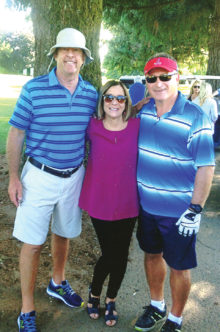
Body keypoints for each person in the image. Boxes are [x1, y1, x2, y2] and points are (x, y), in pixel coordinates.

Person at [6, 27, 98, 332]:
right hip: (39, 176)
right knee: (32, 244)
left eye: (77, 51)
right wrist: (14, 178)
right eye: (65, 50)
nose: (71, 55)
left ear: (84, 58)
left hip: (74, 176)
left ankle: (57, 283)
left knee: (64, 233)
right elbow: (17, 133)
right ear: (56, 55)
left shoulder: (90, 94)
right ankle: (27, 309)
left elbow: (110, 123)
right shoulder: (34, 90)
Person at [134, 53, 215, 332]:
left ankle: (176, 319)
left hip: (180, 211)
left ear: (177, 78)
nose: (158, 83)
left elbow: (206, 167)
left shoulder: (196, 116)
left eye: (165, 76)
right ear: (146, 82)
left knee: (179, 266)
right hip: (147, 207)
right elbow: (118, 114)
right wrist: (134, 105)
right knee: (151, 255)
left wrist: (195, 209)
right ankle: (157, 306)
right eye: (152, 78)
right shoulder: (143, 111)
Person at [78, 80, 140, 327]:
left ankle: (111, 298)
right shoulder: (91, 126)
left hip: (128, 202)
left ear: (126, 103)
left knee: (121, 254)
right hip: (99, 200)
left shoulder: (137, 126)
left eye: (120, 98)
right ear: (102, 101)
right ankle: (94, 293)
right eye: (109, 97)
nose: (114, 102)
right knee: (110, 253)